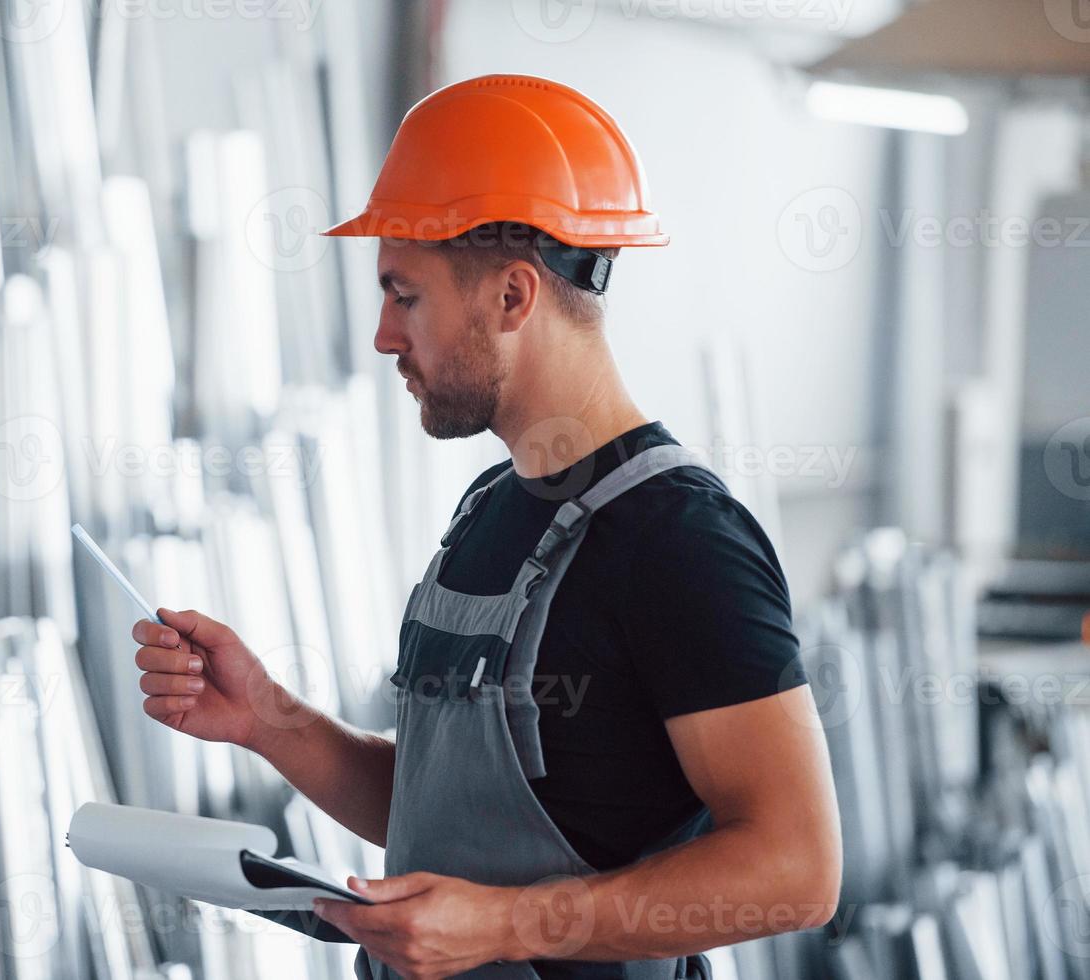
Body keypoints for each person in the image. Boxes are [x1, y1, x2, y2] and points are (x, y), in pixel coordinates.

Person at [131, 74, 841, 979]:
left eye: (405, 295)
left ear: (513, 297)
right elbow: (447, 819)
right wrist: (268, 718)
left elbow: (798, 871)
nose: (385, 335)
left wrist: (510, 926)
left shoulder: (680, 541)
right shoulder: (489, 510)